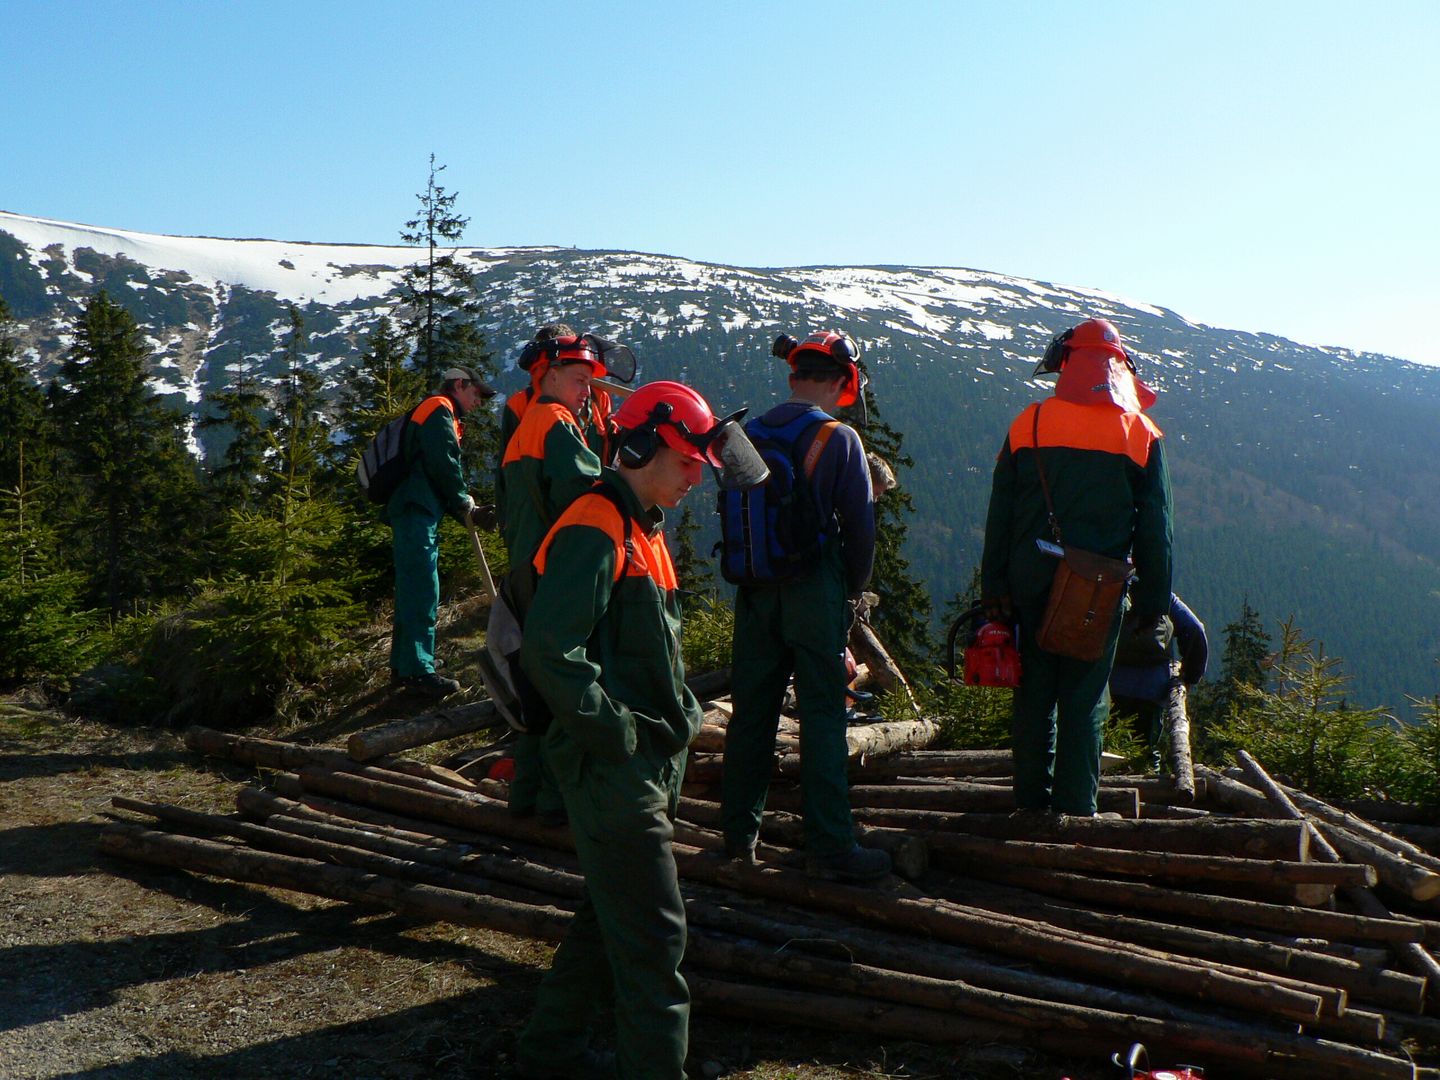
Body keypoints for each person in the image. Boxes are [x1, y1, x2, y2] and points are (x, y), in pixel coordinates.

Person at [515, 381, 750, 1080]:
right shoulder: (596, 521)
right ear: (645, 447)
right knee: (655, 939)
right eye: (685, 462)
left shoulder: (642, 525)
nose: (695, 477)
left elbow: (649, 650)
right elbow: (551, 652)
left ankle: (546, 1052)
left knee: (608, 917)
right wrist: (618, 735)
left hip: (642, 765)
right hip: (613, 769)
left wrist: (669, 727)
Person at [981, 317, 1173, 818]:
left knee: (1033, 697)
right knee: (1085, 701)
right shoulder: (1140, 432)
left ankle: (1029, 806)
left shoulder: (1030, 422)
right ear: (1119, 368)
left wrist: (994, 585)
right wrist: (1153, 604)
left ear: (1063, 362)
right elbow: (1156, 530)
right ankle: (1076, 814)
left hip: (1028, 581)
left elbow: (999, 512)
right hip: (1098, 590)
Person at [720, 330, 892, 884]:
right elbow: (860, 531)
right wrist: (852, 595)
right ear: (845, 384)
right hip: (814, 590)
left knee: (751, 714)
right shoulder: (837, 439)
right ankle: (829, 845)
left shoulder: (750, 432)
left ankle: (737, 839)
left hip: (754, 589)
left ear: (795, 376)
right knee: (822, 716)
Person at [497, 332, 612, 823]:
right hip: (550, 570)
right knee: (562, 683)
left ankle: (525, 797)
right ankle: (556, 802)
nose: (587, 391)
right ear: (550, 375)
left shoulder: (526, 423)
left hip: (523, 565)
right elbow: (585, 491)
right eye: (581, 380)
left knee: (533, 683)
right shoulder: (557, 422)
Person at [384, 365, 496, 697]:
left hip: (414, 508)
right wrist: (465, 505)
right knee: (422, 587)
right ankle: (419, 671)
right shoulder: (439, 408)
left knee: (412, 587)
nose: (478, 402)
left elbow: (432, 466)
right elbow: (443, 462)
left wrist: (463, 510)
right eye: (475, 394)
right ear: (459, 385)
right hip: (416, 509)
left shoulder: (435, 409)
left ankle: (405, 666)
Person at [1110, 593, 1208, 771]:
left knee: (1106, 750)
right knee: (1146, 751)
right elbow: (1195, 629)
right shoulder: (1162, 596)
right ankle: (1146, 791)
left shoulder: (1112, 586)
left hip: (1110, 687)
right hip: (1152, 689)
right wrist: (1189, 677)